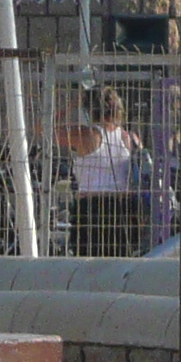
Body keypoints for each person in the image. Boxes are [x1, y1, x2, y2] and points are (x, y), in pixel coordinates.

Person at [62, 85, 152, 257]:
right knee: (122, 260)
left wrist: (71, 106)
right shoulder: (129, 137)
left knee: (88, 262)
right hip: (124, 206)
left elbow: (42, 128)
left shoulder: (86, 135)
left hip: (92, 207)